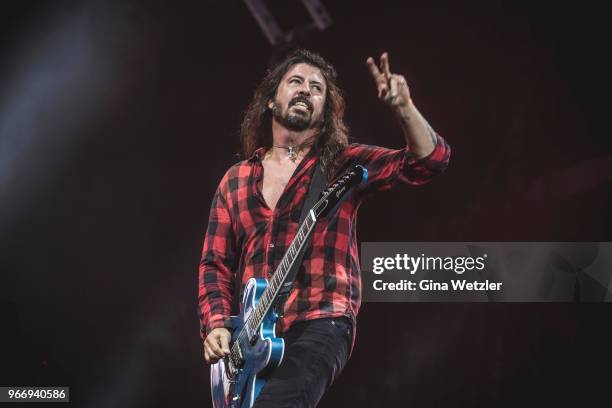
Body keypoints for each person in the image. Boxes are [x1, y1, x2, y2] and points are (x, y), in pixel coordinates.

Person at [198, 49, 451, 407]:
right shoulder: (235, 180)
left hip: (321, 318)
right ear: (272, 100)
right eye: (296, 82)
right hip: (251, 344)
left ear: (326, 112)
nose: (305, 91)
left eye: (317, 88)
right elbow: (215, 263)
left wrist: (404, 107)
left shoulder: (341, 164)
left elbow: (429, 162)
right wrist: (219, 324)